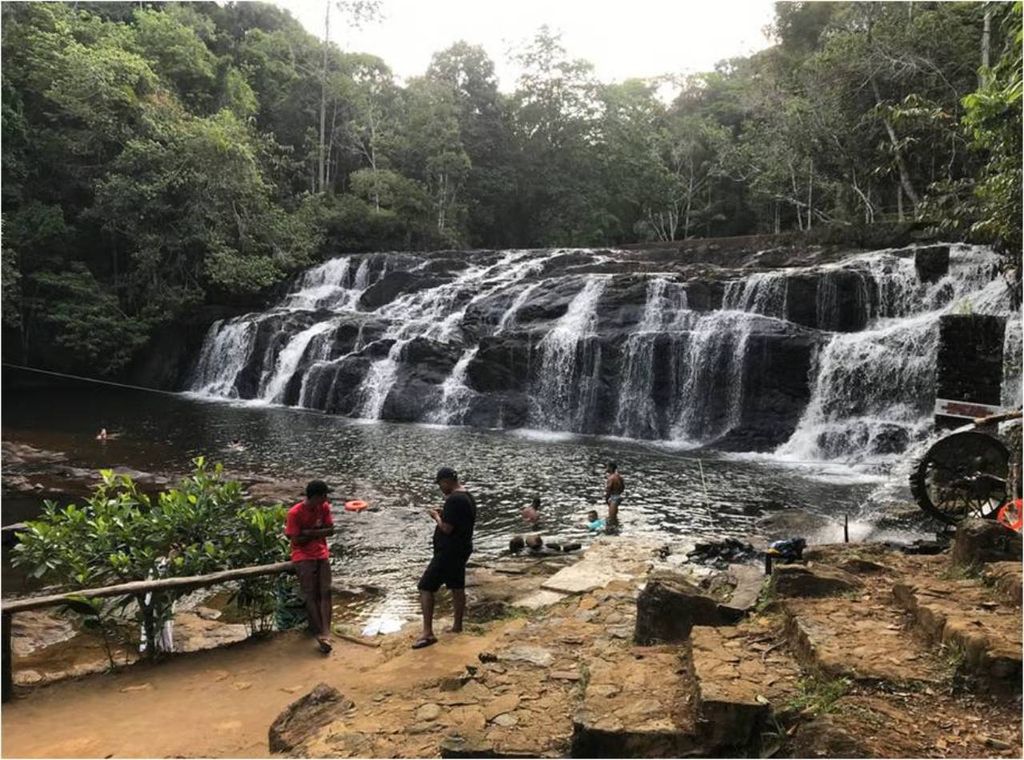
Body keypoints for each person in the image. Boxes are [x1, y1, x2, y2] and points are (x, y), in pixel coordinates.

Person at [413, 467, 476, 649]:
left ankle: (427, 633)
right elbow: (460, 520)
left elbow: (447, 528)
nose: (440, 488)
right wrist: (445, 513)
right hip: (462, 549)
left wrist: (436, 517)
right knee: (457, 586)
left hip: (448, 552)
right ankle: (457, 626)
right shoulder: (466, 496)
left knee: (425, 587)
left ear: (447, 481)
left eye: (441, 484)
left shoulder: (454, 499)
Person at [285, 480, 336, 654]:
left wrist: (308, 533)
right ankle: (319, 632)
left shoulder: (324, 508)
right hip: (303, 555)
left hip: (321, 553)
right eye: (324, 496)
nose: (326, 499)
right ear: (316, 496)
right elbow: (296, 540)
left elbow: (331, 530)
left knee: (326, 591)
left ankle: (326, 631)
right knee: (311, 593)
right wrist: (314, 533)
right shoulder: (295, 513)